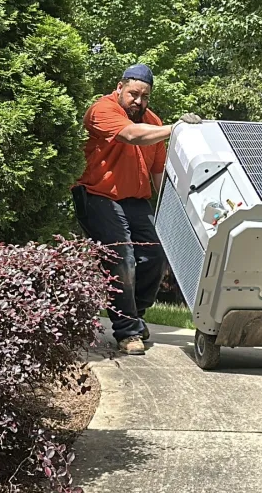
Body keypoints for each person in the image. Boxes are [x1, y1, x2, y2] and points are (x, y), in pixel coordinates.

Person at [72, 63, 201, 354]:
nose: (138, 101)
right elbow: (131, 135)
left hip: (135, 200)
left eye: (145, 97)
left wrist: (178, 214)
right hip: (96, 196)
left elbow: (159, 175)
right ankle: (127, 332)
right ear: (120, 88)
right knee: (122, 256)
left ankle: (136, 314)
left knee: (156, 255)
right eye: (133, 94)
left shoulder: (153, 122)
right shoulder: (101, 110)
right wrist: (175, 128)